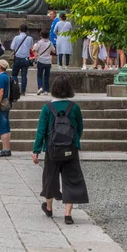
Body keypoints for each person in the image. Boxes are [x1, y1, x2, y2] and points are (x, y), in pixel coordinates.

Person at [32, 75, 89, 224]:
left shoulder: (47, 108)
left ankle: (49, 207)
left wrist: (36, 150)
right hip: (70, 148)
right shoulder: (74, 107)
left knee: (50, 177)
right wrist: (74, 141)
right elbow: (79, 128)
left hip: (52, 148)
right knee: (71, 179)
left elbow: (41, 131)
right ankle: (68, 214)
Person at [0, 59, 12, 157]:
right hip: (7, 103)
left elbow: (0, 91)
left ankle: (5, 149)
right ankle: (7, 148)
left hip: (2, 104)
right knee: (6, 126)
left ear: (0, 66)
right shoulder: (6, 76)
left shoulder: (1, 77)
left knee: (2, 126)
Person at [10, 24, 33, 96]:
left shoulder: (16, 38)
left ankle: (16, 88)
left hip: (17, 58)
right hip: (26, 58)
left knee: (14, 74)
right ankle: (23, 91)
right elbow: (31, 47)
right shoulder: (30, 38)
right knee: (24, 75)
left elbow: (12, 47)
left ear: (19, 30)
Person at [33, 29, 54, 95]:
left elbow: (35, 50)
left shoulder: (39, 42)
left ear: (41, 35)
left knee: (39, 75)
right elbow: (54, 51)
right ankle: (46, 90)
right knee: (47, 76)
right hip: (48, 61)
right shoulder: (50, 43)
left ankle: (40, 87)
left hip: (41, 60)